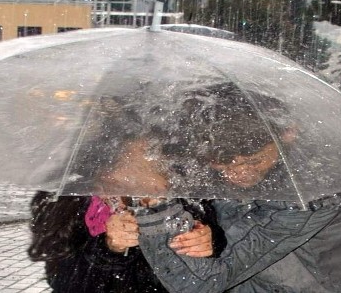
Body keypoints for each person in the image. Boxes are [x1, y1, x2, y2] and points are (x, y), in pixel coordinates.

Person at [136, 82, 341, 293]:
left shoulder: (313, 192)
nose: (239, 174)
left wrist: (158, 209)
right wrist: (203, 229)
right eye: (222, 164)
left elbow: (198, 284)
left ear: (288, 134)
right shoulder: (209, 165)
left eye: (254, 160)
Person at [28, 97, 226, 293]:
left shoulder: (186, 198)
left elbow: (213, 266)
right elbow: (63, 280)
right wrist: (109, 249)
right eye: (138, 162)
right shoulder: (66, 202)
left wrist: (211, 243)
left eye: (157, 160)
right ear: (105, 168)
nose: (157, 178)